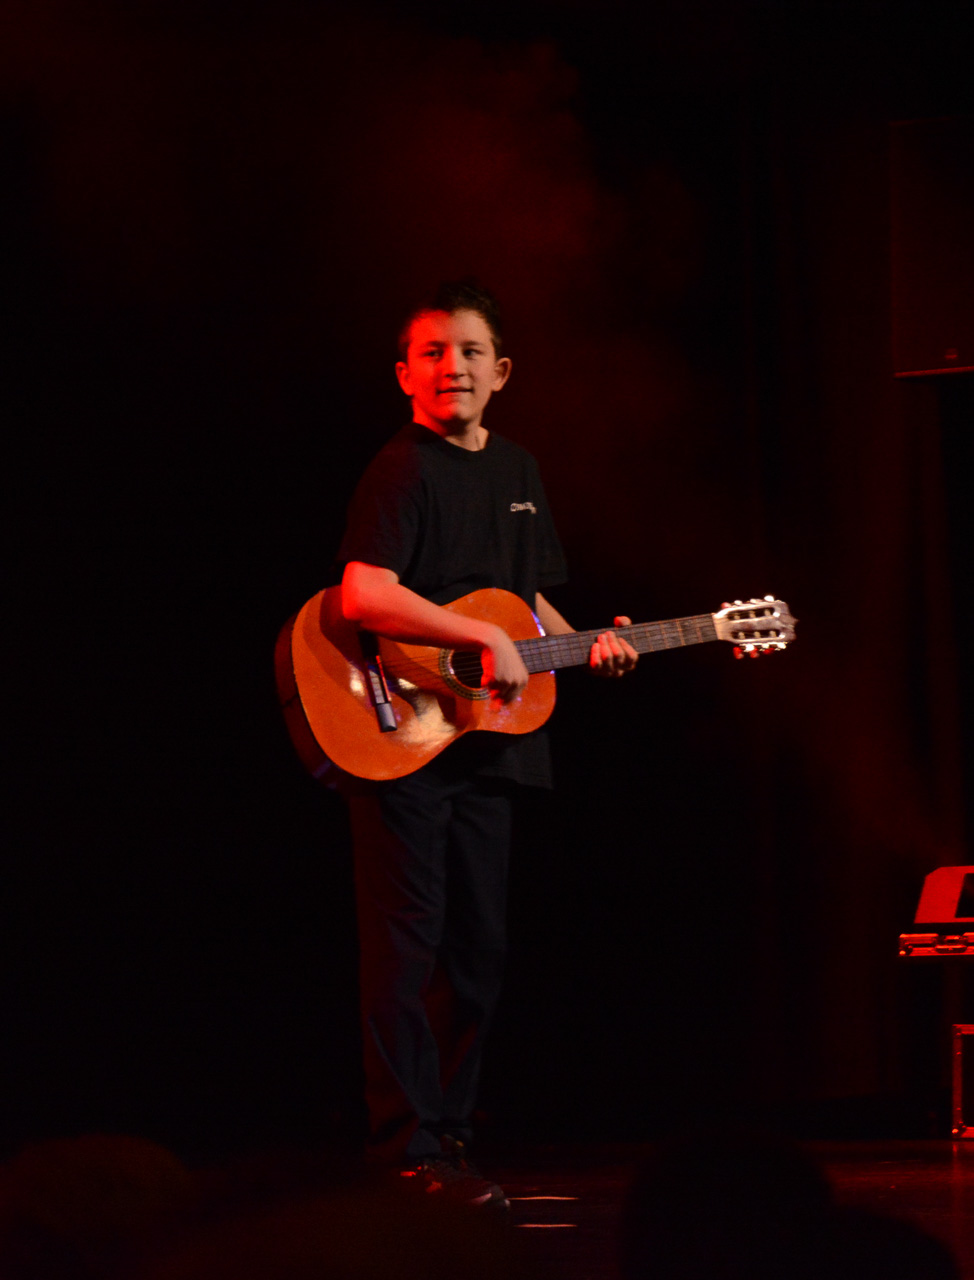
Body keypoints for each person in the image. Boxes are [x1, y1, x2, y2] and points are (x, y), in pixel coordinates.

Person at [335, 279, 640, 1207]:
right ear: (404, 374)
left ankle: (453, 1141)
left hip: (489, 741)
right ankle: (407, 1151)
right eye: (431, 352)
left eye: (468, 351)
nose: (451, 367)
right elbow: (363, 592)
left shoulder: (517, 472)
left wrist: (589, 645)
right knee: (408, 948)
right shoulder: (401, 470)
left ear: (500, 371)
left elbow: (524, 605)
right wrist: (475, 636)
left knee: (477, 953)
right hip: (404, 734)